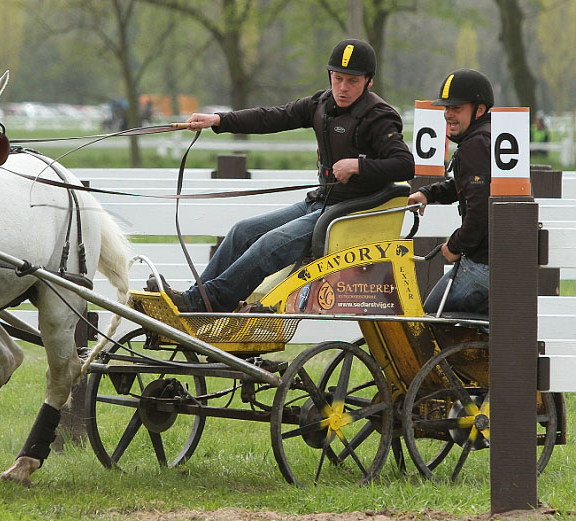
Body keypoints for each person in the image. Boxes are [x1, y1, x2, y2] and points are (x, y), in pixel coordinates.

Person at [154, 38, 415, 312]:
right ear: (330, 76)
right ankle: (197, 297)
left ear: (368, 82)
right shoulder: (320, 104)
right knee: (241, 232)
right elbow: (272, 117)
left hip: (348, 213)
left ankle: (206, 302)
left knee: (270, 244)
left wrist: (357, 166)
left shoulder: (379, 117)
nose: (343, 88)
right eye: (338, 79)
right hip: (320, 203)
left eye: (352, 81)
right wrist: (219, 120)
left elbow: (404, 164)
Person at [407, 68, 493, 315]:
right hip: (501, 262)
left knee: (427, 321)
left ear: (479, 109)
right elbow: (466, 186)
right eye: (446, 108)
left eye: (456, 108)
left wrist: (455, 245)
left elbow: (479, 208)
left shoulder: (475, 146)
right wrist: (428, 193)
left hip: (481, 265)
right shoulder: (489, 138)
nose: (448, 114)